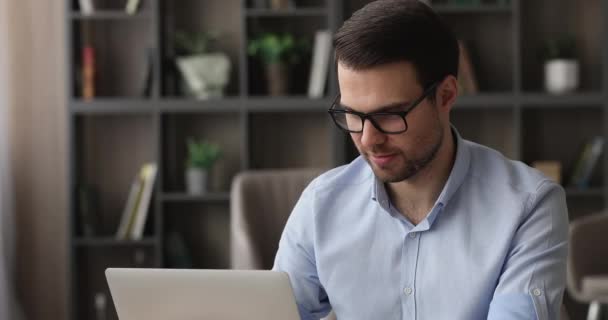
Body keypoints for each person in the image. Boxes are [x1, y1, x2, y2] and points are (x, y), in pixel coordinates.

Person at [272, 0, 569, 319]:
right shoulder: (321, 205)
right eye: (352, 114)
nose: (369, 139)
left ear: (446, 95)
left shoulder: (529, 206)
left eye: (388, 115)